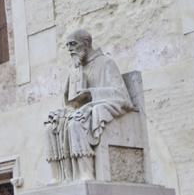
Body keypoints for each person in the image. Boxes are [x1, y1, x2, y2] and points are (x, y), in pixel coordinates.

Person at [43, 28, 134, 182]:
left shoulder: (106, 63)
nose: (70, 49)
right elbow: (68, 100)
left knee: (76, 123)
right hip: (80, 108)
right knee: (51, 126)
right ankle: (59, 176)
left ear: (85, 44)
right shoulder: (75, 69)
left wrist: (91, 94)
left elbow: (121, 95)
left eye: (73, 44)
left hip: (102, 105)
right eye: (67, 46)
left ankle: (86, 173)